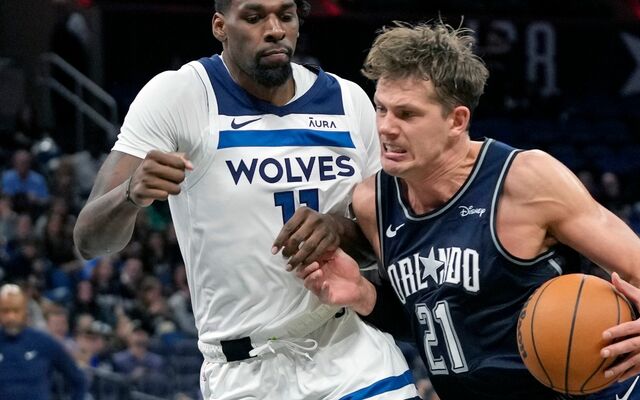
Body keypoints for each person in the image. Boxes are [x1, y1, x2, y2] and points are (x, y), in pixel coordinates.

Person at [295, 22, 640, 399]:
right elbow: (441, 330)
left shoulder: (525, 180)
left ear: (457, 119)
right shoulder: (372, 202)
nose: (385, 127)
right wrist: (365, 296)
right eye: (381, 109)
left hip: (598, 392)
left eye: (407, 114)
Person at [72, 0, 418, 399]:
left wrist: (337, 229)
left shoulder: (348, 100)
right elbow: (89, 240)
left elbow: (391, 240)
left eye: (285, 16)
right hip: (245, 372)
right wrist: (130, 195)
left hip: (352, 352)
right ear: (220, 26)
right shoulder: (180, 95)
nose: (274, 29)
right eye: (254, 18)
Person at [0, 284, 87, 400]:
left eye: (16, 311)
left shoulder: (44, 342)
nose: (11, 317)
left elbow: (78, 380)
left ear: (25, 311)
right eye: (5, 311)